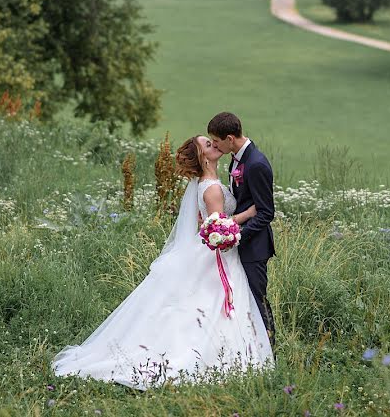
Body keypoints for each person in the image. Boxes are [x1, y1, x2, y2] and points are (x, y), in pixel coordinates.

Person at [51, 135, 273, 390]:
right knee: (210, 306)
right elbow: (219, 226)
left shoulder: (208, 182)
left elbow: (210, 222)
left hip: (211, 252)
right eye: (208, 145)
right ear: (202, 157)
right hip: (217, 256)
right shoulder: (210, 186)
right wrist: (248, 213)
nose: (215, 145)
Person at [207, 112, 277, 347]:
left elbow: (266, 212)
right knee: (244, 300)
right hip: (240, 242)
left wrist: (235, 235)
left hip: (254, 246)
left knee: (257, 301)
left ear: (229, 138)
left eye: (216, 141)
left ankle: (270, 350)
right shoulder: (237, 159)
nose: (214, 146)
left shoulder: (256, 164)